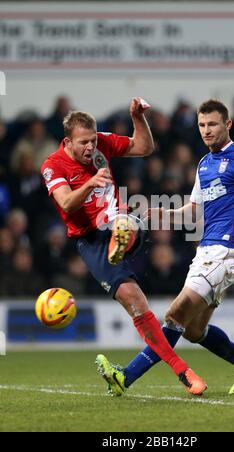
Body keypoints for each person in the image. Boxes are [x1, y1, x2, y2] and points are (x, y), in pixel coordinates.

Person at [98, 99, 234, 397]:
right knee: (193, 330)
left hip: (227, 252)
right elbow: (194, 212)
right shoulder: (203, 164)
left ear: (227, 125)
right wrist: (164, 213)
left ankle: (126, 376)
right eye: (201, 125)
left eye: (212, 124)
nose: (206, 130)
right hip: (205, 252)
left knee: (174, 316)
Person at [40, 97, 206, 396]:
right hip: (89, 239)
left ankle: (123, 238)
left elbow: (144, 148)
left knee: (125, 222)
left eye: (93, 140)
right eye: (83, 143)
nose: (91, 148)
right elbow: (65, 202)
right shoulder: (52, 166)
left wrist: (137, 118)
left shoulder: (101, 143)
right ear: (67, 141)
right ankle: (182, 370)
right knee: (135, 300)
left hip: (119, 219)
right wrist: (90, 184)